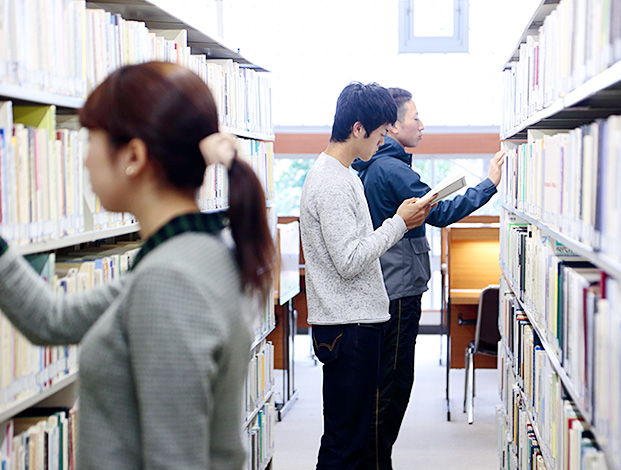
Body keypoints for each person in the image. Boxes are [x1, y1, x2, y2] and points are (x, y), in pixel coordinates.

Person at [0, 61, 274, 470]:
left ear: (132, 155)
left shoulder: (169, 281)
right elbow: (52, 320)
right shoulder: (194, 252)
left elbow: (174, 460)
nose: (85, 160)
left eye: (90, 139)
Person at [351, 87, 506, 470]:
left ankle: (375, 458)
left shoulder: (378, 166)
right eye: (415, 117)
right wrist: (490, 184)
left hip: (389, 282)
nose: (422, 125)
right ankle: (377, 460)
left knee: (388, 380)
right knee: (394, 382)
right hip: (399, 287)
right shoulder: (392, 169)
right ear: (391, 126)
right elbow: (440, 212)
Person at [299, 82, 435, 470]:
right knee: (348, 442)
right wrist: (398, 223)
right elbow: (349, 258)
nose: (381, 141)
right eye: (378, 134)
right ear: (358, 129)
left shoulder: (342, 175)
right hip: (349, 326)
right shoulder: (332, 182)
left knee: (352, 436)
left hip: (354, 321)